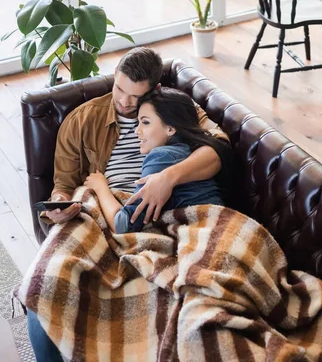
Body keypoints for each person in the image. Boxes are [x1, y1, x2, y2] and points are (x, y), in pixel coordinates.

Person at [27, 46, 230, 362]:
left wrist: (168, 179)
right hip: (97, 207)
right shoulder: (81, 120)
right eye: (119, 89)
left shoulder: (175, 109)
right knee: (47, 286)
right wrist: (60, 203)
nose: (123, 102)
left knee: (165, 305)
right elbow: (63, 187)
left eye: (135, 98)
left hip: (159, 216)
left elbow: (219, 147)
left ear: (155, 90)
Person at [84, 87, 229, 232]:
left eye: (145, 122)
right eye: (138, 122)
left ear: (170, 129)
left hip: (206, 228)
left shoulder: (161, 156)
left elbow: (123, 225)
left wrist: (101, 188)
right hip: (221, 221)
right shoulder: (194, 148)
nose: (137, 130)